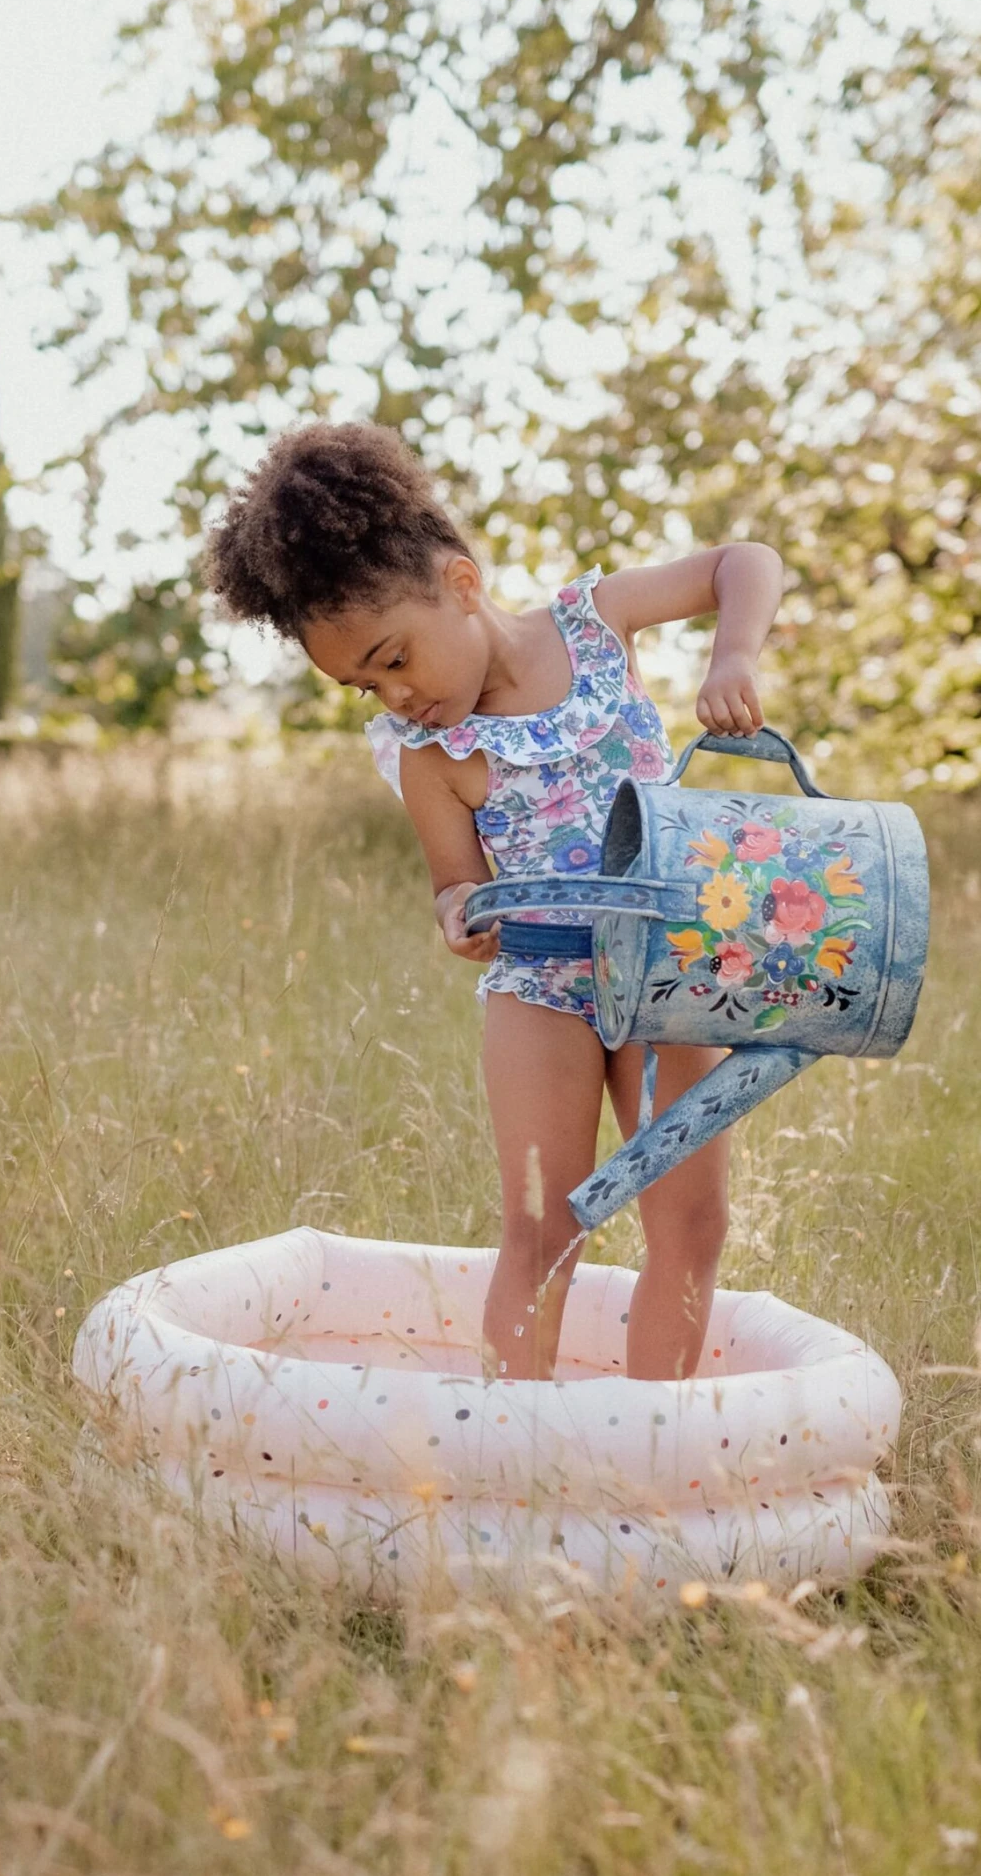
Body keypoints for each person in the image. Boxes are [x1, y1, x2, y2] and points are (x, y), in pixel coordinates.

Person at [205, 423, 784, 1382]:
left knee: (691, 1221)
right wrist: (457, 916)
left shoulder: (594, 623)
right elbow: (455, 883)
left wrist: (732, 656)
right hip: (541, 991)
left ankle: (656, 1449)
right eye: (364, 686)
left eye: (395, 659)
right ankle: (511, 1448)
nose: (394, 695)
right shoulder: (437, 758)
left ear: (461, 585)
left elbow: (744, 562)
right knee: (542, 1225)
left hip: (667, 969)